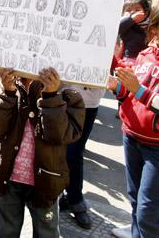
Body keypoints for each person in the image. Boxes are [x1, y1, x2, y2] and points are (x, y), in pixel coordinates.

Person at [0, 68, 85, 238]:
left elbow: (63, 135)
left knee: (46, 232)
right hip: (7, 178)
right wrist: (7, 93)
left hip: (46, 182)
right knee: (4, 232)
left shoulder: (67, 94)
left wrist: (51, 97)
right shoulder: (2, 86)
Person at [107, 7, 159, 238]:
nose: (154, 36)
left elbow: (142, 93)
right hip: (131, 136)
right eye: (154, 30)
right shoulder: (146, 54)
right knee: (136, 200)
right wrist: (117, 86)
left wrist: (138, 89)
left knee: (148, 211)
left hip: (156, 148)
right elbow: (130, 96)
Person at [59, 86, 105, 229]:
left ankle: (75, 200)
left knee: (73, 153)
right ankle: (54, 196)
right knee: (51, 150)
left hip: (88, 104)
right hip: (56, 96)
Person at [118, 0, 151, 65]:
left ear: (146, 13)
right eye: (129, 10)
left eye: (137, 10)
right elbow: (117, 28)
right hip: (129, 60)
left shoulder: (150, 25)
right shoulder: (127, 24)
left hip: (146, 61)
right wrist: (131, 19)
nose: (133, 12)